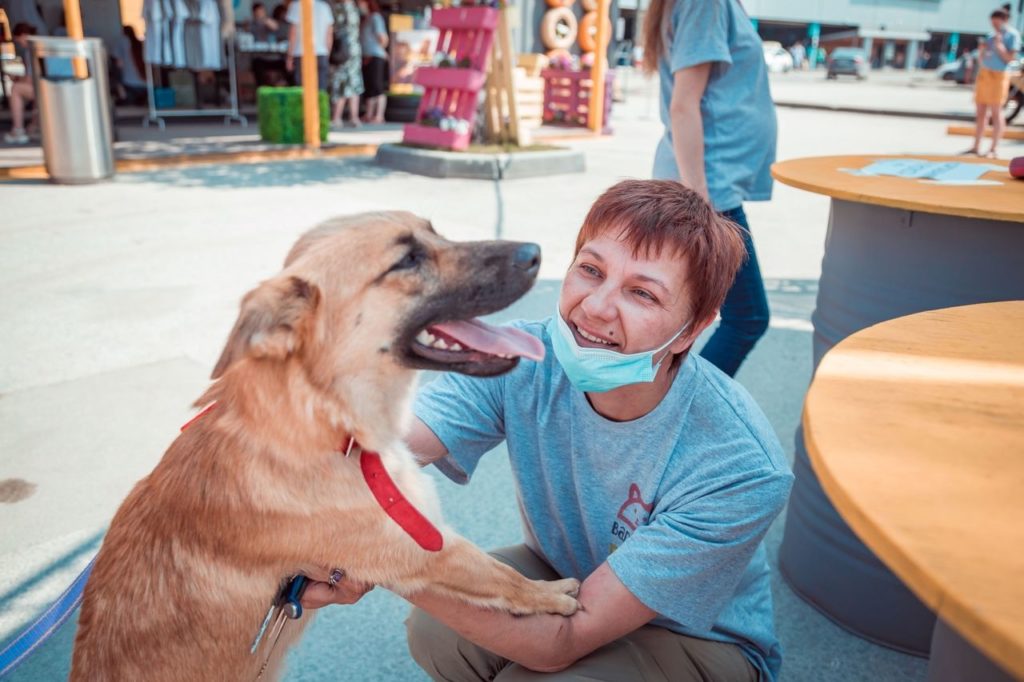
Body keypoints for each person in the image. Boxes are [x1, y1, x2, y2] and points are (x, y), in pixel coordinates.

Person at [302, 180, 794, 682]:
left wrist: (385, 555)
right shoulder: (525, 357)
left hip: (700, 641)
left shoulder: (741, 465)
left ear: (692, 329)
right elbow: (389, 445)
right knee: (438, 628)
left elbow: (561, 644)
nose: (596, 307)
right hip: (571, 572)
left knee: (535, 669)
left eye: (642, 293)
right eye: (590, 270)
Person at [642, 0, 776, 378]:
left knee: (684, 312)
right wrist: (700, 202)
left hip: (707, 183)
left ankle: (664, 409)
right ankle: (681, 410)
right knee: (747, 317)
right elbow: (683, 105)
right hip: (707, 188)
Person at [966, 7, 1021, 158]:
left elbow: (1010, 59)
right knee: (981, 112)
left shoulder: (1012, 35)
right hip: (985, 74)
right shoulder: (990, 36)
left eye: (997, 23)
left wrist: (999, 46)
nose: (995, 27)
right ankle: (976, 146)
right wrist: (981, 52)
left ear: (1004, 21)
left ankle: (993, 148)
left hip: (1000, 75)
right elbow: (982, 59)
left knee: (997, 112)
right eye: (993, 24)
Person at [285, 0, 334, 92]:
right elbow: (329, 34)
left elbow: (293, 34)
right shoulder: (325, 7)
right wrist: (327, 54)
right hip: (321, 52)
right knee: (321, 91)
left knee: (302, 90)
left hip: (301, 53)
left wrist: (289, 56)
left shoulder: (296, 6)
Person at [329, 0, 363, 127]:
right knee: (354, 82)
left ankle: (336, 117)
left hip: (342, 50)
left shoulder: (338, 9)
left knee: (340, 81)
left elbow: (333, 29)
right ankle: (354, 117)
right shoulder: (355, 8)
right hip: (355, 49)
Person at [4, 23, 37, 145]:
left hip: (42, 89)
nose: (19, 44)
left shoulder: (30, 51)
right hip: (51, 86)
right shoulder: (39, 46)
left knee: (16, 89)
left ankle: (18, 130)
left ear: (23, 36)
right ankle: (34, 126)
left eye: (18, 41)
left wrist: (15, 78)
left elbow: (30, 80)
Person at [358, 0, 388, 124]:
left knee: (377, 87)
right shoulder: (366, 19)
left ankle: (379, 115)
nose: (359, 5)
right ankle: (369, 114)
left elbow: (383, 37)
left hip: (376, 56)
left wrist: (382, 50)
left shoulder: (376, 17)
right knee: (369, 86)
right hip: (367, 56)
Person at [110, 25, 147, 105]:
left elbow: (117, 62)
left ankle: (122, 95)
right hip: (144, 83)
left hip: (129, 84)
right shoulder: (138, 42)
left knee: (115, 73)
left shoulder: (121, 41)